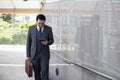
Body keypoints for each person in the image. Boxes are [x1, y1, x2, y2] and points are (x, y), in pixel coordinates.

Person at [26, 14, 54, 80]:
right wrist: (28, 55)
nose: (41, 25)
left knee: (45, 72)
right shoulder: (31, 28)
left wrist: (47, 42)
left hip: (45, 55)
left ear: (44, 22)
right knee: (37, 73)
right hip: (34, 55)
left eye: (42, 23)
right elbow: (28, 43)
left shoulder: (49, 29)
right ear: (36, 21)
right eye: (39, 23)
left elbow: (52, 40)